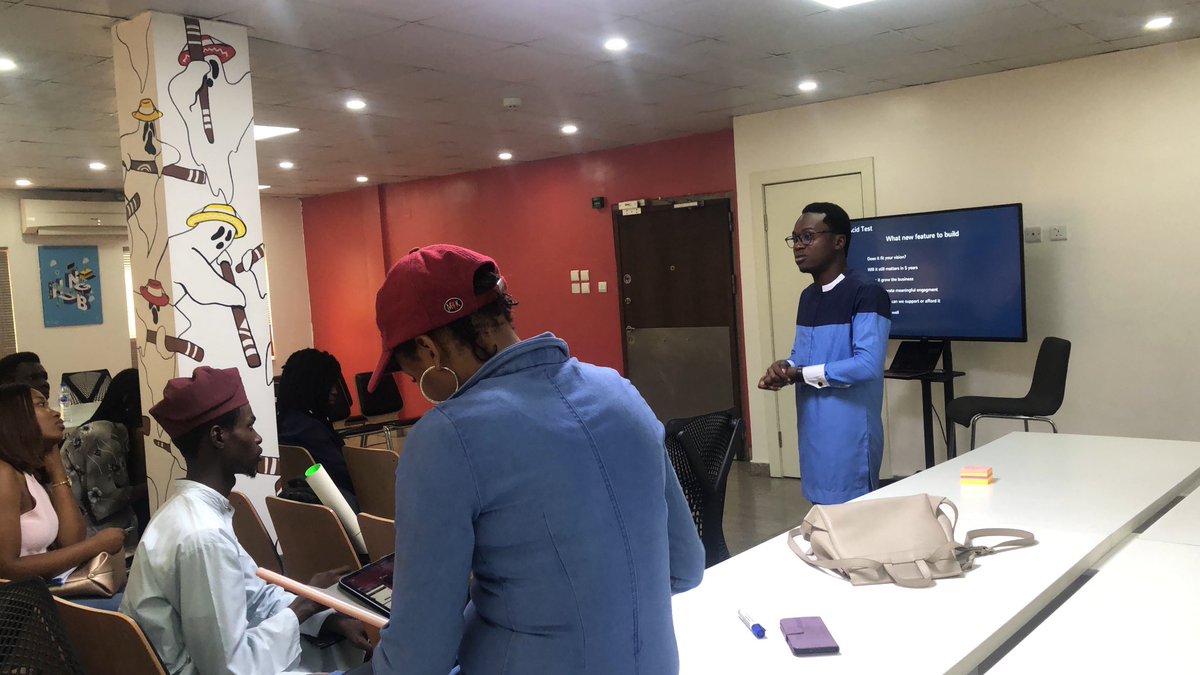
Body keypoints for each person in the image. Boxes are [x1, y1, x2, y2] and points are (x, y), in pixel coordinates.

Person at [352, 245, 704, 675]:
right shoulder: (620, 392)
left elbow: (417, 660)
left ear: (429, 351)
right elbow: (685, 568)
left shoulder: (445, 437)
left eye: (412, 376)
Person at [121, 366, 368, 674]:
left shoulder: (189, 513)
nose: (258, 437)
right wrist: (304, 605)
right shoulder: (203, 536)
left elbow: (254, 596)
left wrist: (325, 617)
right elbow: (228, 668)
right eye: (249, 426)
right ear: (218, 436)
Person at [759, 202, 892, 505]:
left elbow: (867, 365)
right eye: (795, 239)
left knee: (852, 518)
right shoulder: (808, 297)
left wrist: (800, 374)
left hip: (848, 434)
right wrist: (785, 366)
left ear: (838, 241)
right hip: (812, 431)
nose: (798, 246)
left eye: (808, 236)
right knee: (821, 516)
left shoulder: (867, 293)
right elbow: (802, 354)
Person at [0, 383, 126, 589]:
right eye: (41, 405)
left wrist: (57, 469)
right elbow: (6, 568)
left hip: (38, 594)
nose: (56, 413)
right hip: (17, 603)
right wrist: (96, 545)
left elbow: (71, 541)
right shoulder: (4, 474)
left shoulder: (27, 474)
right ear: (14, 417)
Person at [60, 368, 148, 552]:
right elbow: (104, 503)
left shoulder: (120, 431)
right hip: (90, 537)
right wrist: (155, 486)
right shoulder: (101, 434)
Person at [276, 348, 356, 506]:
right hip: (339, 504)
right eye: (328, 385)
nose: (335, 392)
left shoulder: (282, 425)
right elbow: (350, 477)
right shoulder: (311, 431)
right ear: (311, 386)